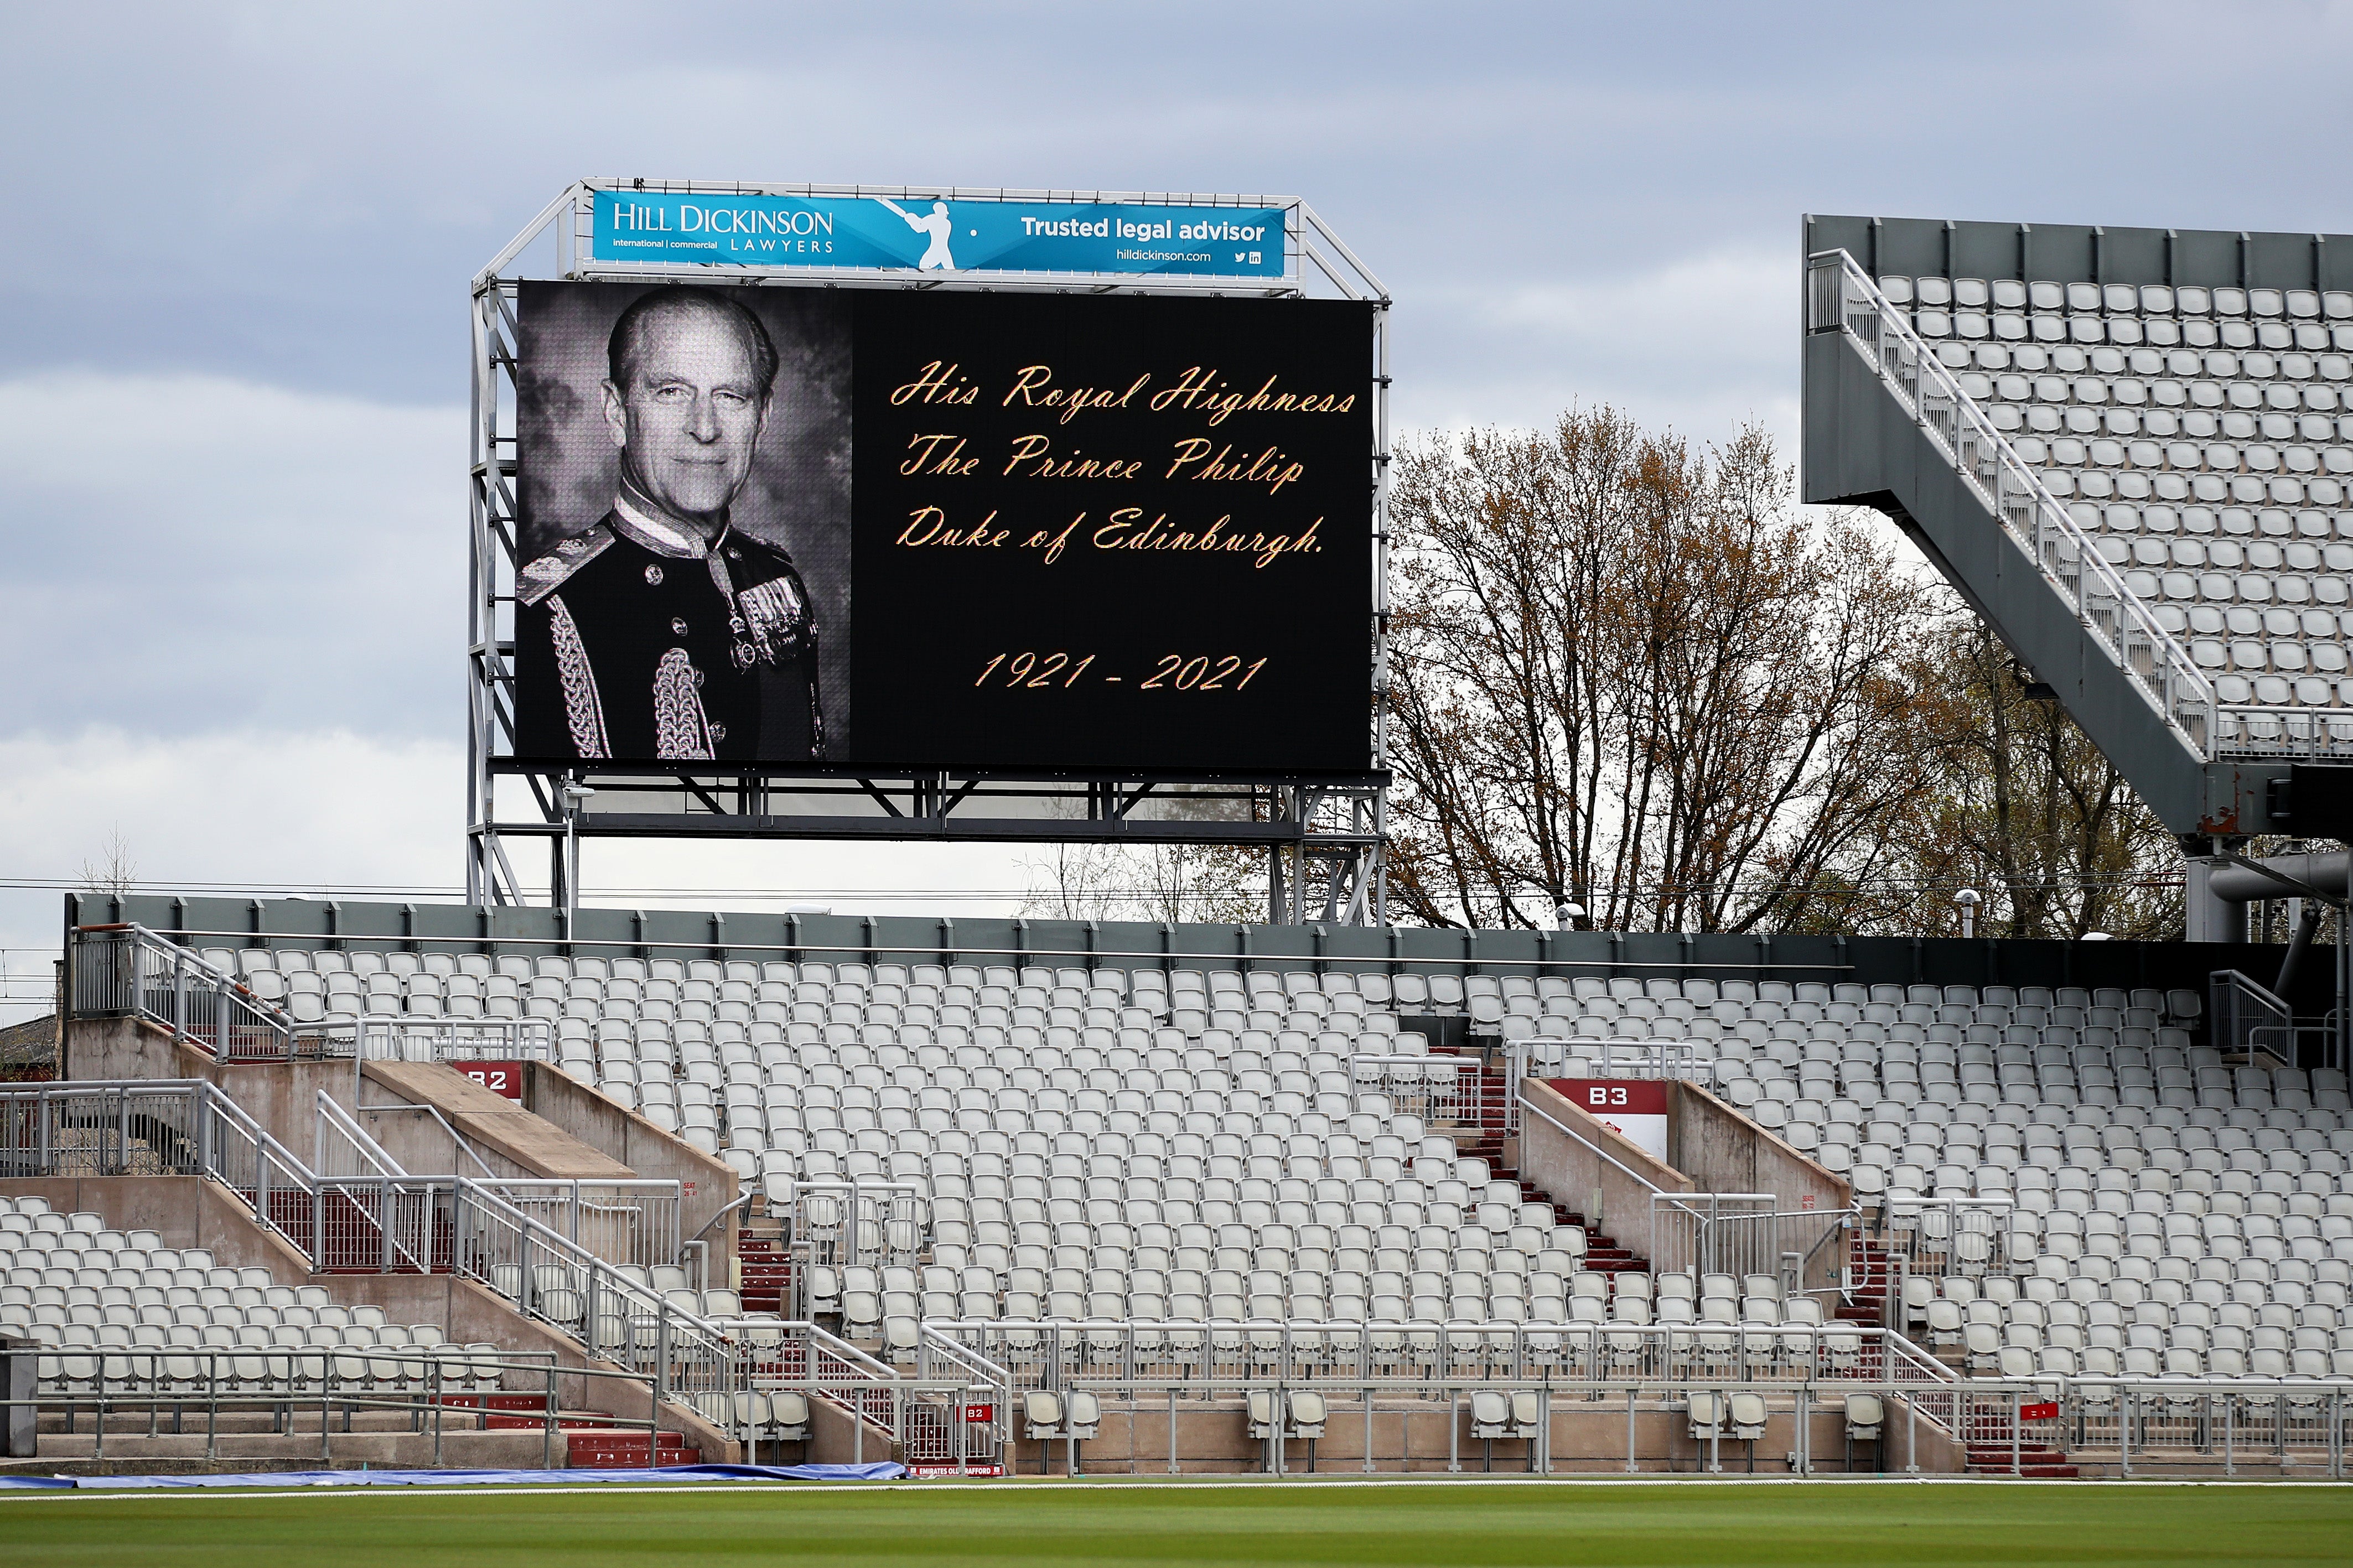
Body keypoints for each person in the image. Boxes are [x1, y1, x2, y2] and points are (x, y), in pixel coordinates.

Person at [519, 287, 823, 762]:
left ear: (762, 418)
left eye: (731, 396)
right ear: (616, 412)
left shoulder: (776, 578)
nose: (704, 427)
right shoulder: (550, 610)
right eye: (671, 392)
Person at [876, 196, 956, 271]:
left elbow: (920, 228)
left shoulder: (936, 220)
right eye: (945, 212)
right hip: (942, 250)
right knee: (949, 271)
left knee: (924, 268)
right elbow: (921, 227)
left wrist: (911, 219)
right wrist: (912, 219)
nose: (947, 214)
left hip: (937, 250)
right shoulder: (944, 222)